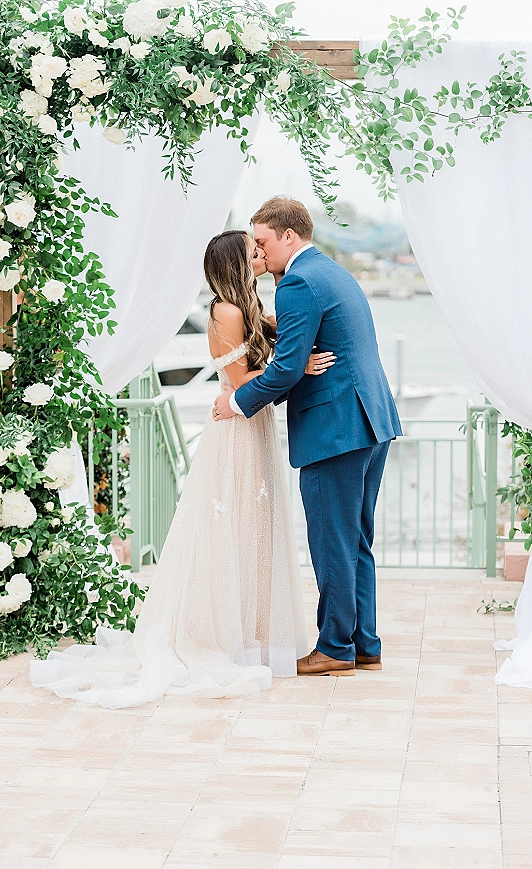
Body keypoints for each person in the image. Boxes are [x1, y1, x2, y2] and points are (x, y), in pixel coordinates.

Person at [30, 230, 332, 708]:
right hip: (235, 431)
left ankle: (251, 633)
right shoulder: (227, 312)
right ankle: (218, 635)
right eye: (252, 251)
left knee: (255, 527)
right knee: (230, 526)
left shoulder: (248, 308)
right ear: (235, 261)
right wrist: (298, 370)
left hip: (253, 424)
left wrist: (290, 355)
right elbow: (239, 380)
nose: (260, 255)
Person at [213, 197, 402, 677]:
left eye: (261, 241)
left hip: (335, 428)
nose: (256, 250)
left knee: (332, 541)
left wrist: (235, 404)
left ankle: (335, 647)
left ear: (287, 238)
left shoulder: (297, 282)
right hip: (369, 421)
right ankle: (365, 644)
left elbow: (287, 369)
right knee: (356, 539)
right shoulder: (330, 270)